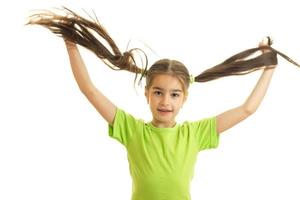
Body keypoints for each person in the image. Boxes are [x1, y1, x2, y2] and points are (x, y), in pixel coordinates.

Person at [26, 7, 299, 200]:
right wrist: (71, 44)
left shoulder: (195, 133)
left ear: (184, 98)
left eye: (174, 94)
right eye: (158, 92)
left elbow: (247, 109)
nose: (165, 101)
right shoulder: (132, 130)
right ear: (146, 94)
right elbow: (89, 89)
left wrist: (269, 67)